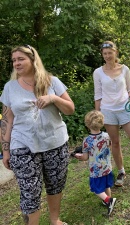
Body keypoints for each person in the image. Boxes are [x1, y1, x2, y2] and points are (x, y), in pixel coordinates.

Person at [0, 45, 75, 225]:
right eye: (14, 60)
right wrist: (6, 150)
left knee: (55, 184)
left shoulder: (52, 82)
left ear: (33, 60)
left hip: (55, 142)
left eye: (20, 59)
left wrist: (53, 99)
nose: (16, 63)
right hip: (22, 144)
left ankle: (55, 220)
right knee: (29, 191)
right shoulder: (10, 88)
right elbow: (6, 121)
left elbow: (70, 109)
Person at [93, 41, 130, 187]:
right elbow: (98, 95)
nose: (107, 56)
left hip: (125, 109)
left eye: (110, 53)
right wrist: (97, 115)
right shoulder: (98, 72)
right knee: (115, 143)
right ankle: (121, 171)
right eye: (104, 54)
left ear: (115, 53)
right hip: (108, 111)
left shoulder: (124, 69)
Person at [74, 110, 117, 216]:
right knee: (107, 185)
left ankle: (108, 201)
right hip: (107, 166)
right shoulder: (107, 136)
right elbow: (109, 148)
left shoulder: (87, 140)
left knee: (96, 188)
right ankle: (108, 201)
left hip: (96, 170)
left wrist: (77, 156)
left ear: (88, 124)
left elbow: (85, 157)